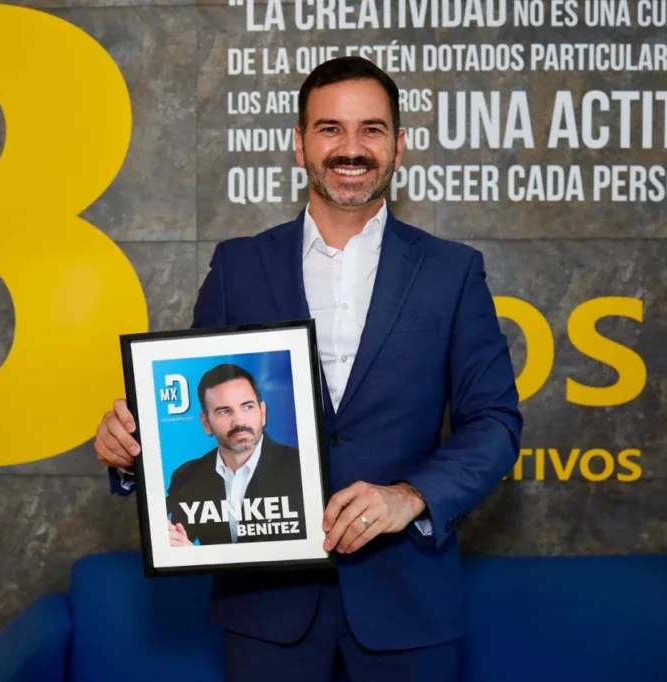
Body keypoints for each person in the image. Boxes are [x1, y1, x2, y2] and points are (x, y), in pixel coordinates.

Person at [95, 55, 522, 682]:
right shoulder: (239, 266)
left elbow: (495, 422)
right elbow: (194, 408)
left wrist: (410, 497)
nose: (351, 148)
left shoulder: (451, 271)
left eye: (371, 129)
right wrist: (133, 451)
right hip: (267, 607)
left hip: (409, 603)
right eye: (330, 129)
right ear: (300, 145)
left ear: (399, 146)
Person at [164, 363, 306, 547]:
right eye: (224, 411)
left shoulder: (300, 468)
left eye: (247, 407)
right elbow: (175, 540)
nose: (239, 421)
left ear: (262, 413)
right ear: (206, 423)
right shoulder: (186, 477)